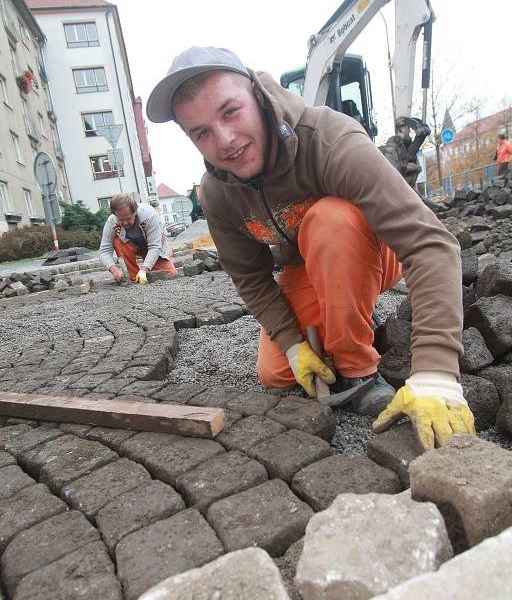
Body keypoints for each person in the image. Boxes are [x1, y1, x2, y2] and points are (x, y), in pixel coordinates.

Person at [146, 46, 475, 450]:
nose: (225, 140)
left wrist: (436, 373)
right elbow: (250, 278)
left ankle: (358, 370)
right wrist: (293, 344)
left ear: (258, 95)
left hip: (371, 248)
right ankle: (341, 324)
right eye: (202, 132)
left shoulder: (330, 139)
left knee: (330, 221)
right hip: (308, 265)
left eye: (230, 112)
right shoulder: (217, 194)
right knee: (276, 373)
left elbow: (431, 244)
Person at [99, 194, 176, 284]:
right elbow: (104, 251)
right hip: (132, 247)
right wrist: (113, 269)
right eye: (121, 219)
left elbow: (155, 247)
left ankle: (141, 275)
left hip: (155, 249)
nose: (125, 223)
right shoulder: (111, 221)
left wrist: (144, 270)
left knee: (169, 276)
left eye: (128, 218)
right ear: (115, 215)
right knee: (117, 241)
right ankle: (133, 278)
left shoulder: (149, 215)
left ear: (135, 212)